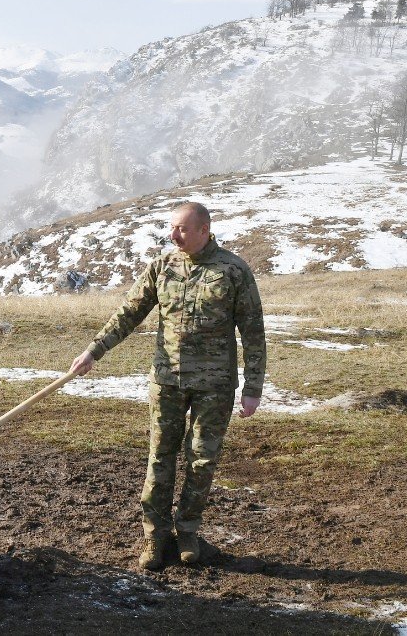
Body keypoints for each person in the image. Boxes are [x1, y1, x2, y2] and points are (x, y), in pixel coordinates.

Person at [69, 201, 266, 571]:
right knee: (160, 459)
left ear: (205, 230)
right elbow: (129, 313)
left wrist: (252, 387)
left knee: (202, 461)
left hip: (215, 385)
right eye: (172, 228)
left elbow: (253, 333)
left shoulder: (233, 270)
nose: (174, 235)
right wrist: (94, 351)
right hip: (168, 381)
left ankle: (188, 531)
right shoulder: (162, 266)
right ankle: (154, 537)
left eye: (183, 229)